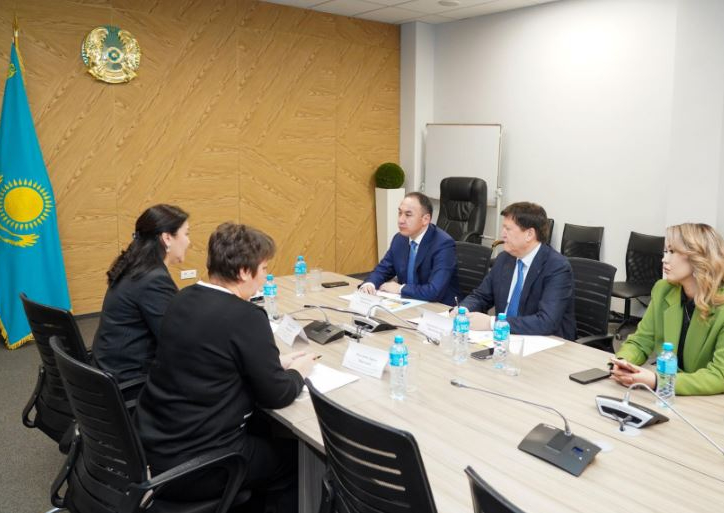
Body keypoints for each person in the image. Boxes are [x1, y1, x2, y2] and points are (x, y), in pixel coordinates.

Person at [135, 222, 317, 512]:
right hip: (203, 463)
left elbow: (211, 358)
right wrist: (299, 372)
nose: (265, 277)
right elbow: (278, 395)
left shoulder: (182, 298)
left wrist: (273, 364)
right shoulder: (246, 316)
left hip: (158, 448)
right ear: (244, 272)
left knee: (264, 430)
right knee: (303, 460)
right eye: (264, 269)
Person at [611, 223, 724, 396]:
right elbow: (641, 341)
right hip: (681, 392)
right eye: (665, 251)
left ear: (698, 258)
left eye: (672, 252)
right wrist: (622, 362)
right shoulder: (663, 290)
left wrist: (658, 381)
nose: (664, 259)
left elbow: (722, 375)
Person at [92, 204, 190, 384]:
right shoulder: (153, 279)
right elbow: (176, 341)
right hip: (130, 381)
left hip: (110, 370)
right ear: (167, 238)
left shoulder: (135, 268)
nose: (188, 242)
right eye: (186, 234)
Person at [459, 202, 576, 338]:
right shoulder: (504, 258)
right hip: (504, 338)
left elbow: (546, 322)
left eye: (508, 229)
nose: (502, 234)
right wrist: (463, 309)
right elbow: (481, 296)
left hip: (546, 342)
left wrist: (492, 323)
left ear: (529, 234)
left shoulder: (557, 267)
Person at [360, 192, 460, 305]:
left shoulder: (443, 244)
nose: (401, 220)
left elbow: (434, 291)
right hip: (408, 303)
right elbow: (383, 269)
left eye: (408, 215)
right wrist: (370, 284)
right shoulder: (399, 239)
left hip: (439, 308)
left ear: (425, 219)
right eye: (400, 213)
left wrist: (400, 289)